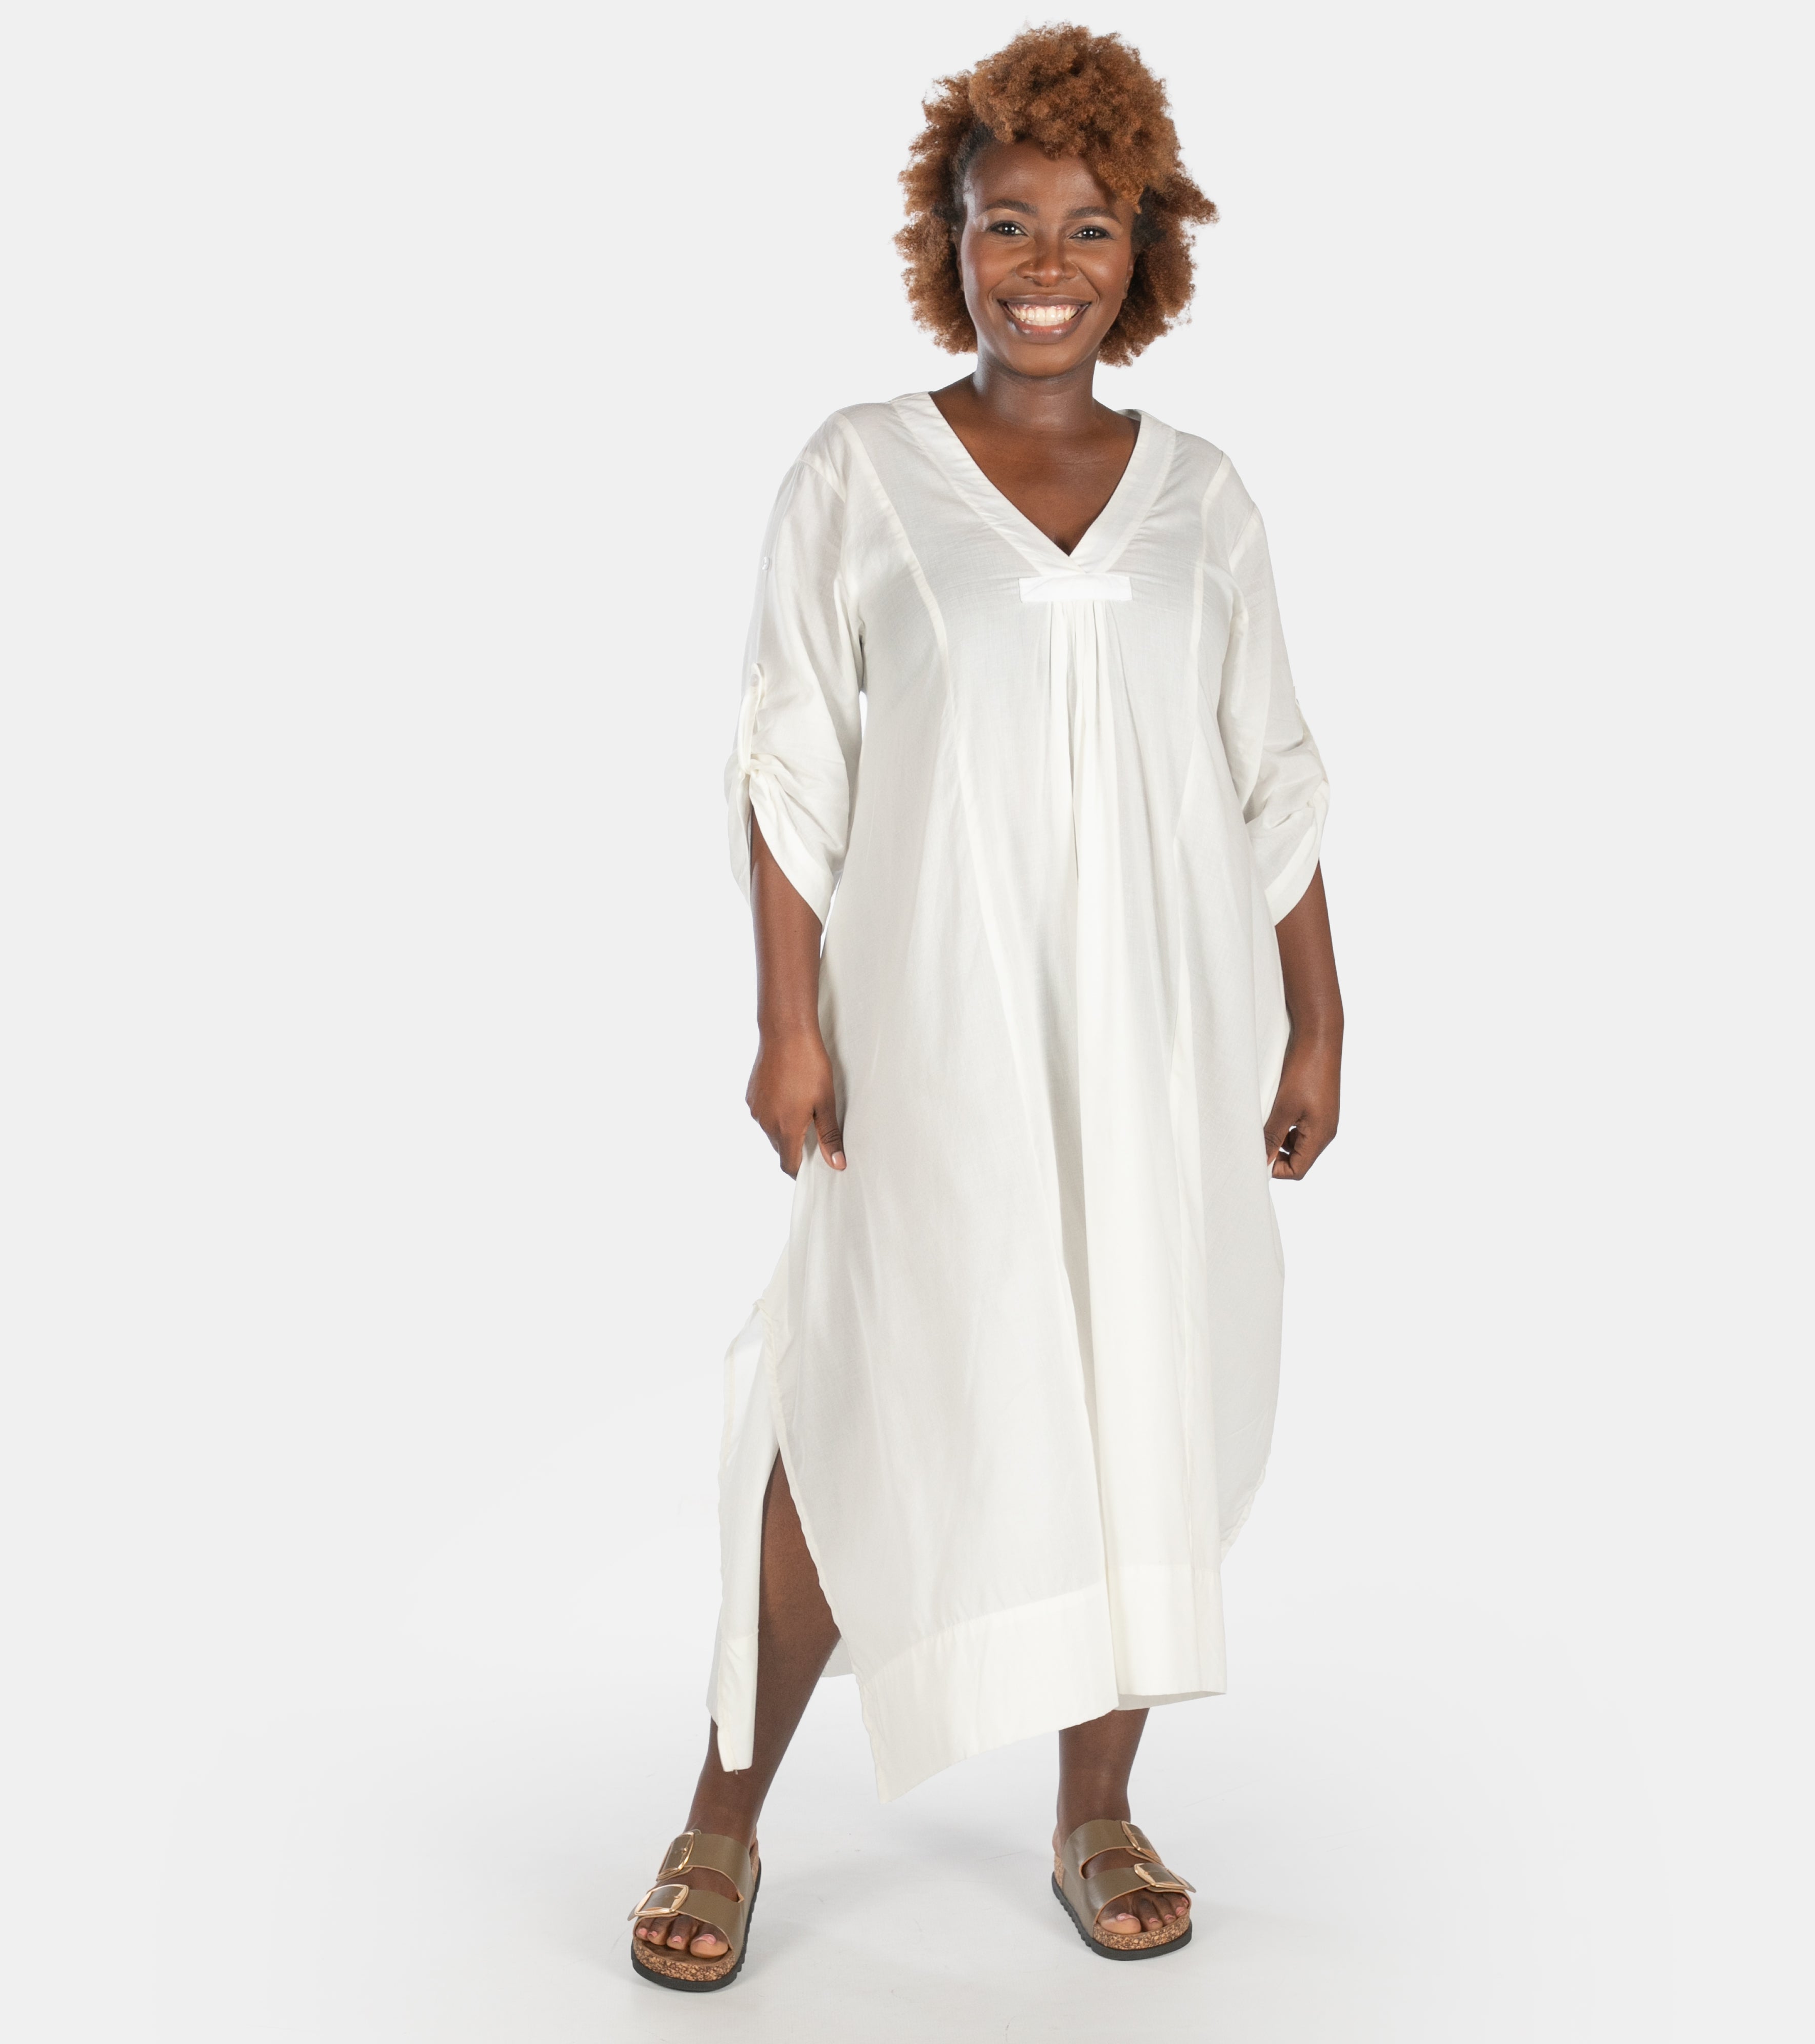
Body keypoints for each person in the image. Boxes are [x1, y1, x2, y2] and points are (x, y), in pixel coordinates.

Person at [630, 25, 1342, 1990]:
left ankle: (1096, 1805)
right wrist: (787, 1023)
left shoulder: (1203, 498)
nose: (1046, 263)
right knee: (859, 1385)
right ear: (947, 241)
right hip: (931, 1031)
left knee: (1138, 1383)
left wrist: (1318, 1021)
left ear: (1144, 253)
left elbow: (1274, 774)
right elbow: (788, 765)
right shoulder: (860, 472)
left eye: (1089, 227)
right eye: (1005, 221)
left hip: (1162, 1037)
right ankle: (721, 1813)